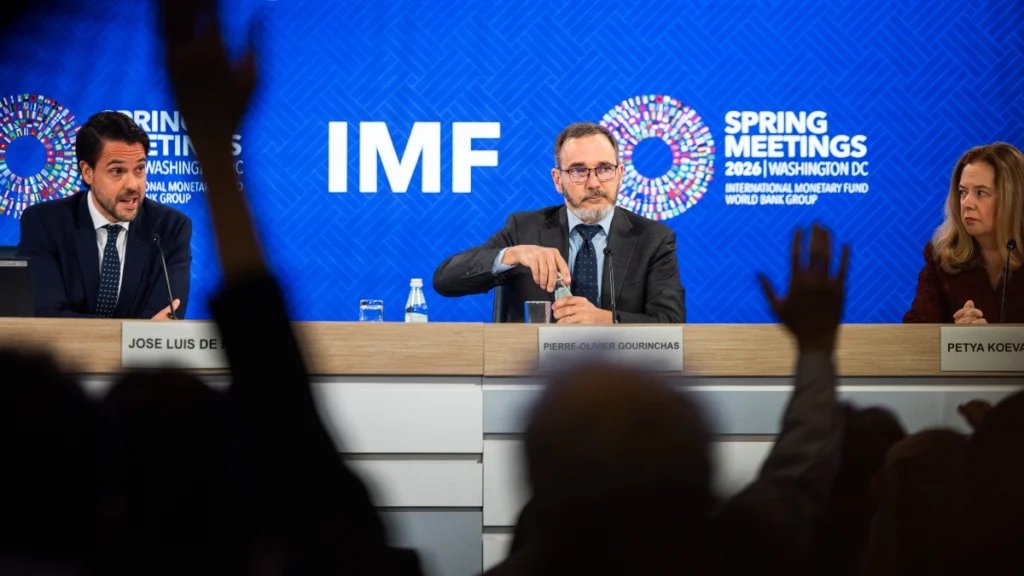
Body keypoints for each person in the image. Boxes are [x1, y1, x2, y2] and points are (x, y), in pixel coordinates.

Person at [433, 122, 685, 324]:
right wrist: (514, 254)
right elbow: (445, 279)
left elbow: (671, 323)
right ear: (557, 180)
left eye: (604, 169)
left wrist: (607, 320)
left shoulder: (653, 238)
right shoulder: (524, 229)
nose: (594, 183)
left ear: (620, 175)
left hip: (621, 369)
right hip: (534, 368)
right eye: (578, 171)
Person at [17, 110, 190, 319]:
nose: (133, 184)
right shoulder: (44, 223)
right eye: (117, 171)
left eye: (139, 169)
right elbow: (46, 315)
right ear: (87, 172)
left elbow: (166, 318)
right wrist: (131, 330)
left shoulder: (170, 228)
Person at [904, 142, 1024, 323]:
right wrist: (957, 334)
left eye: (980, 193)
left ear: (1013, 199)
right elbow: (917, 329)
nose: (966, 203)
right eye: (962, 193)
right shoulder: (941, 258)